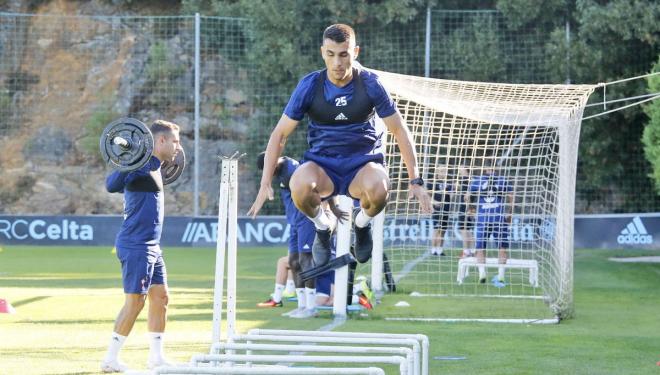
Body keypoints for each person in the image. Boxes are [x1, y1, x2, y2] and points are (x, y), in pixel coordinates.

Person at [248, 23, 431, 270]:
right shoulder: (310, 85)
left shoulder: (370, 84)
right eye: (331, 54)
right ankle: (323, 228)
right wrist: (264, 183)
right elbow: (280, 134)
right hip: (323, 165)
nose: (337, 63)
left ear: (355, 52)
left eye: (344, 54)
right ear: (322, 52)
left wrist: (415, 180)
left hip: (363, 164)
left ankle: (362, 224)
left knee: (380, 189)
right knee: (298, 184)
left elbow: (399, 130)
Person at [101, 120, 182, 372]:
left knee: (161, 297)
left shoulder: (156, 166)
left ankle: (156, 358)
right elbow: (112, 184)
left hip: (152, 246)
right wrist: (131, 158)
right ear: (160, 141)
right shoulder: (141, 165)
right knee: (136, 301)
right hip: (136, 245)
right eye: (175, 141)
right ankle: (110, 359)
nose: (178, 147)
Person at [254, 152, 345, 319]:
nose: (269, 174)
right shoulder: (281, 171)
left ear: (274, 164)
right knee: (294, 263)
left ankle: (311, 308)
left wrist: (333, 207)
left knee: (305, 261)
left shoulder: (295, 170)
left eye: (269, 170)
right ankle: (301, 305)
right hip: (294, 223)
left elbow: (320, 186)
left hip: (306, 220)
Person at [467, 159, 514, 284]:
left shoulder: (478, 180)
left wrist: (471, 208)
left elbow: (467, 196)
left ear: (485, 168)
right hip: (498, 218)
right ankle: (501, 276)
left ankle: (482, 274)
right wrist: (510, 212)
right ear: (496, 169)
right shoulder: (502, 180)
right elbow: (511, 196)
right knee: (502, 247)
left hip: (483, 218)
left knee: (480, 248)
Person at [428, 165, 452, 256]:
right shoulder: (432, 182)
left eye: (445, 171)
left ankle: (440, 250)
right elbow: (427, 194)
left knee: (443, 230)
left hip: (446, 209)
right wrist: (434, 201)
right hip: (437, 209)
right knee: (436, 229)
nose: (444, 173)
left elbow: (450, 195)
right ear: (437, 172)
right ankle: (433, 249)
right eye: (442, 171)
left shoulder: (448, 183)